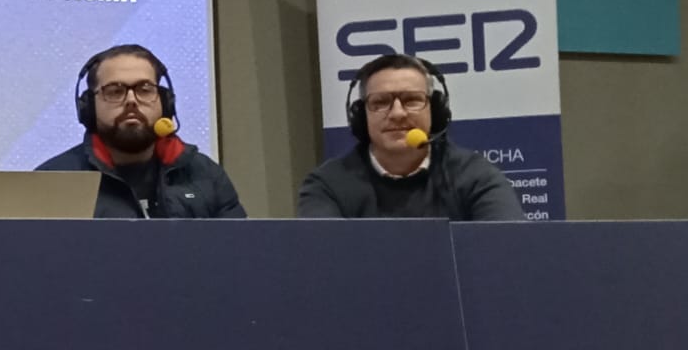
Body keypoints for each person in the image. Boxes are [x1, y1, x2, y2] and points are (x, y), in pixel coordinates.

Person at [297, 53, 523, 221]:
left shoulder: (475, 176)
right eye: (380, 102)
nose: (397, 113)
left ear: (434, 110)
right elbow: (323, 264)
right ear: (361, 115)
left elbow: (508, 253)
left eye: (412, 100)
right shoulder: (327, 185)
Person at [36, 44, 246, 218]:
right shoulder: (53, 182)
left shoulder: (205, 175)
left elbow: (240, 256)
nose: (131, 101)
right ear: (89, 107)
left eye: (144, 89)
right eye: (115, 91)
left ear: (165, 101)